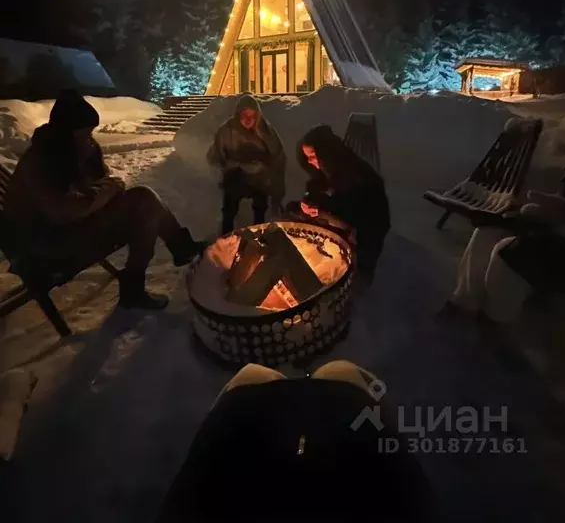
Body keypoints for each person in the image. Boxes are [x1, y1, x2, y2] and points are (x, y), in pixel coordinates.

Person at [156, 360, 430, 522]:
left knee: (253, 374)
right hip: (348, 432)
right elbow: (412, 494)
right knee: (342, 371)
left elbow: (190, 491)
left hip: (244, 441)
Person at [3, 90, 205, 310]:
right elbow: (63, 211)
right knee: (144, 208)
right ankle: (144, 277)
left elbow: (98, 183)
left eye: (91, 133)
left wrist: (104, 187)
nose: (89, 139)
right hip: (47, 243)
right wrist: (106, 191)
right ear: (66, 132)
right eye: (84, 133)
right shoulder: (43, 159)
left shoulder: (73, 149)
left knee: (143, 204)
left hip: (72, 225)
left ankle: (172, 253)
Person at [443, 164, 565, 324]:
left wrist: (561, 212)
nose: (564, 178)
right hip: (553, 231)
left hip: (564, 251)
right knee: (489, 230)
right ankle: (465, 303)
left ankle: (494, 320)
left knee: (508, 253)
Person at [293, 124, 390, 284]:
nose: (309, 162)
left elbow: (352, 211)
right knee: (295, 211)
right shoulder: (330, 167)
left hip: (368, 229)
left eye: (312, 156)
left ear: (325, 153)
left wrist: (321, 210)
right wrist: (310, 199)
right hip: (347, 218)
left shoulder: (352, 174)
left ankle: (355, 283)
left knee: (356, 272)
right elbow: (316, 185)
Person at [207, 93, 286, 235]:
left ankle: (259, 234)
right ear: (238, 115)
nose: (249, 120)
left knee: (260, 203)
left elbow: (278, 157)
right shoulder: (227, 130)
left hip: (259, 177)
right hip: (235, 176)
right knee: (230, 203)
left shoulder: (265, 130)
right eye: (245, 115)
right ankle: (226, 235)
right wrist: (232, 165)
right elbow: (215, 156)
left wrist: (266, 170)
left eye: (252, 116)